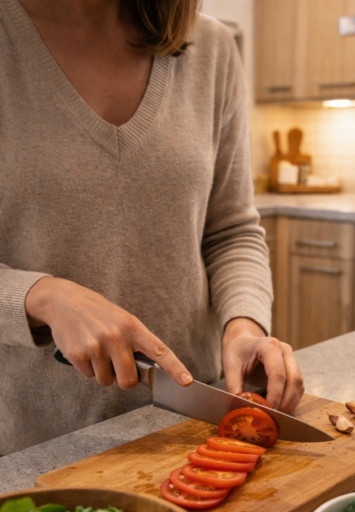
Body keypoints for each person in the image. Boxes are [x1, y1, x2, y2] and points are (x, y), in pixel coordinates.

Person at [0, 0, 305, 456]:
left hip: (190, 427)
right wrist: (39, 296)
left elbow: (232, 230)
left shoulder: (212, 49)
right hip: (33, 444)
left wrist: (244, 327)